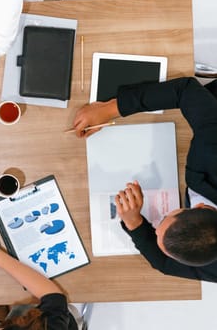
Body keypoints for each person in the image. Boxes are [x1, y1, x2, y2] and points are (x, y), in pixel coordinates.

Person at [71, 77, 217, 281]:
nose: (154, 230)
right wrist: (110, 110)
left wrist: (134, 223)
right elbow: (185, 91)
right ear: (200, 207)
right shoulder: (213, 150)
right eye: (163, 220)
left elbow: (165, 264)